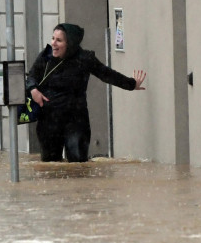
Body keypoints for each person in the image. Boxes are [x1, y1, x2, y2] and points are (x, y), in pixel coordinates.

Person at [25, 23, 146, 163]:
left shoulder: (84, 58)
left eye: (59, 40)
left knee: (78, 165)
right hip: (49, 120)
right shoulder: (46, 55)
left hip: (76, 120)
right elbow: (32, 76)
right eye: (53, 38)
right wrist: (34, 90)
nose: (53, 43)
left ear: (69, 43)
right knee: (51, 166)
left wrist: (131, 84)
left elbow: (107, 74)